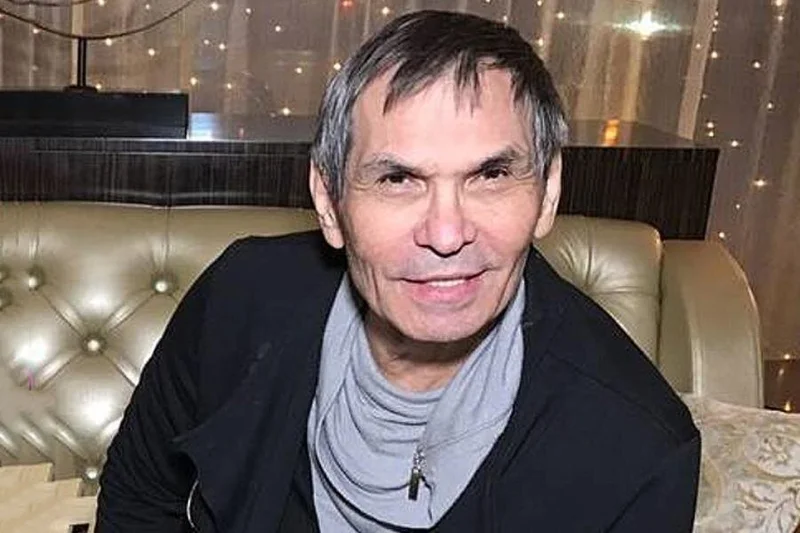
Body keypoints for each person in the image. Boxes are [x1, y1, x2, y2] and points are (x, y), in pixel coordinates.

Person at [97, 10, 700, 533]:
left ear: (547, 193)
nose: (447, 234)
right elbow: (139, 503)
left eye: (490, 175)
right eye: (398, 179)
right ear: (329, 201)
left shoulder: (638, 448)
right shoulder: (241, 298)